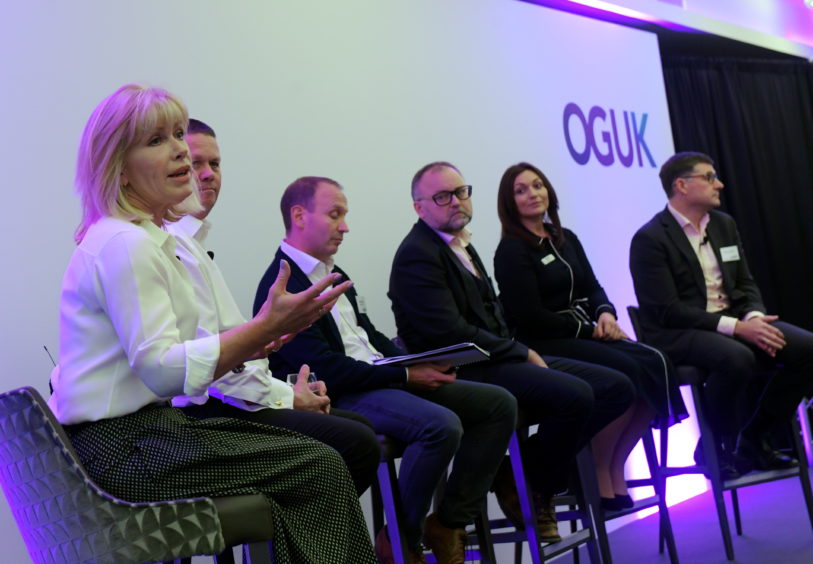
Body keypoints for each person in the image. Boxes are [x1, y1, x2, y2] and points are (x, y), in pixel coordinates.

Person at [47, 84, 376, 563]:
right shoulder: (127, 245)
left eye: (178, 133)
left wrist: (257, 338)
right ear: (117, 167)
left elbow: (182, 352)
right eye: (156, 140)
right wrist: (261, 331)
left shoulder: (139, 239)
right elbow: (161, 370)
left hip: (143, 436)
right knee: (319, 466)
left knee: (316, 461)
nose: (181, 148)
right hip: (127, 450)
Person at [253, 176, 517, 564]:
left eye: (345, 215)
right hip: (343, 394)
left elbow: (367, 335)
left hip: (380, 379)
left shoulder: (333, 270)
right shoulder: (283, 284)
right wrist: (406, 375)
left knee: (498, 404)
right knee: (440, 426)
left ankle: (447, 521)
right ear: (299, 216)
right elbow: (330, 370)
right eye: (335, 214)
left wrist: (413, 362)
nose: (345, 226)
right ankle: (399, 539)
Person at [389, 161, 634, 541]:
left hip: (497, 356)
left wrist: (517, 349)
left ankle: (521, 472)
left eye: (461, 192)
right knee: (575, 394)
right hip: (464, 368)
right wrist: (519, 351)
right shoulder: (418, 254)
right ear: (419, 207)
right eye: (442, 196)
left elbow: (492, 315)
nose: (456, 201)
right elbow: (450, 333)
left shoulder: (459, 243)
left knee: (617, 386)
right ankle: (540, 487)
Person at [165, 119, 380, 496]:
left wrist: (268, 351)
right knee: (356, 442)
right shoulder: (169, 246)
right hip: (194, 414)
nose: (207, 174)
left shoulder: (197, 246)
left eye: (215, 164)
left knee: (359, 434)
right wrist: (284, 394)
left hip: (223, 398)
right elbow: (206, 365)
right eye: (194, 162)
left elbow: (233, 350)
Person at [492, 162, 687, 510]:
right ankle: (596, 471)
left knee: (653, 363)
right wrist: (588, 329)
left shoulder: (565, 238)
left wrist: (606, 314)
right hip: (546, 340)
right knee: (625, 374)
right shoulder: (511, 250)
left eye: (537, 185)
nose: (533, 194)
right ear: (509, 203)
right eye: (520, 190)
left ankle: (614, 466)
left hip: (583, 331)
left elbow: (593, 287)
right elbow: (530, 316)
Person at [629, 151, 813, 479]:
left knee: (807, 349)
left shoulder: (724, 225)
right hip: (677, 332)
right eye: (710, 177)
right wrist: (737, 328)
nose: (720, 184)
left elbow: (745, 283)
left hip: (733, 322)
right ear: (682, 185)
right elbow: (667, 310)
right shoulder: (650, 239)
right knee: (736, 358)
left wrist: (754, 318)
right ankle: (714, 445)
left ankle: (755, 437)